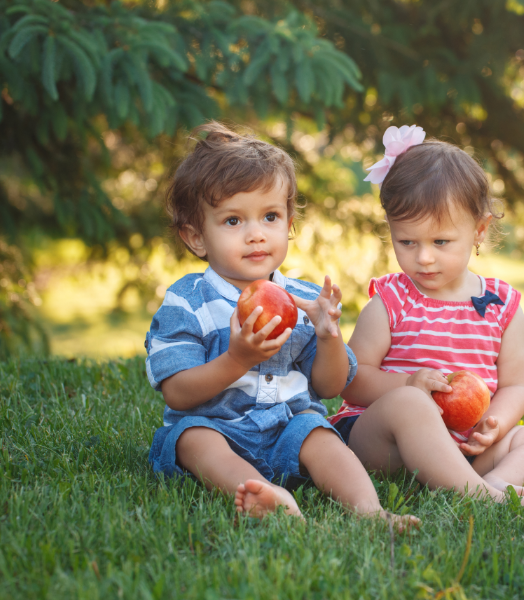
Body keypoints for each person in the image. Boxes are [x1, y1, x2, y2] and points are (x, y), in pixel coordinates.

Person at [145, 122, 418, 529]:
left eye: (269, 216)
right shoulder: (188, 301)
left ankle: (371, 511)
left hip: (289, 430)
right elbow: (177, 392)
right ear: (196, 236)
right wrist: (237, 359)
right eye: (233, 221)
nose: (256, 235)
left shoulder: (300, 299)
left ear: (288, 222)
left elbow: (329, 387)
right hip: (220, 429)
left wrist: (328, 337)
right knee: (191, 438)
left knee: (319, 433)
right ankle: (261, 491)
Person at [329, 125, 524, 511]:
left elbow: (515, 386)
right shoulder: (390, 301)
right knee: (412, 403)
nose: (423, 257)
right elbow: (352, 382)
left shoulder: (501, 306)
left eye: (440, 242)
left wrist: (492, 425)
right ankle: (477, 494)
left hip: (465, 446)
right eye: (407, 242)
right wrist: (408, 383)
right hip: (388, 445)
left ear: (479, 230)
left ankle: (491, 487)